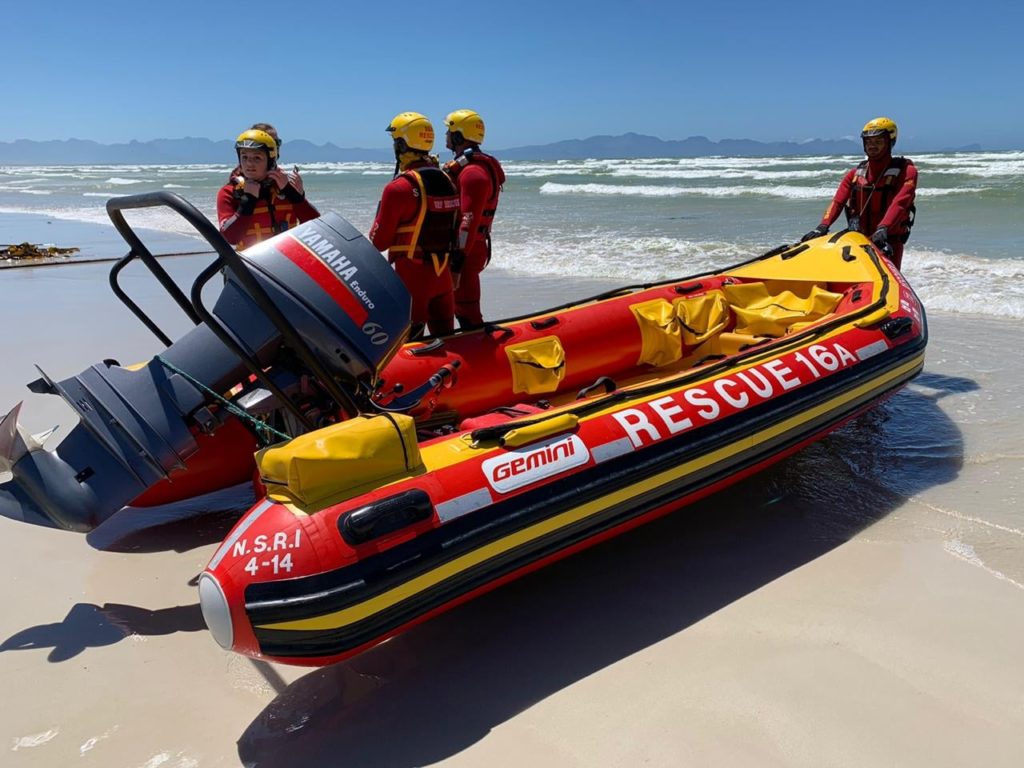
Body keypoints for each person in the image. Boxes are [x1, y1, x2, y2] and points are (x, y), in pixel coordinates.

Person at [369, 112, 460, 339]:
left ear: (401, 144)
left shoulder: (398, 188)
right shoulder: (448, 180)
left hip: (412, 283)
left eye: (395, 142)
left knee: (408, 350)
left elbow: (379, 242)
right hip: (443, 279)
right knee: (447, 344)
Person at [801, 117, 917, 269]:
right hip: (858, 239)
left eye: (878, 141)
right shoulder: (855, 174)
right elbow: (838, 202)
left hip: (888, 240)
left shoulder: (906, 171)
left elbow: (900, 202)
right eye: (869, 142)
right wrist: (822, 226)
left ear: (890, 142)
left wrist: (883, 228)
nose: (872, 146)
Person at [442, 109, 506, 329]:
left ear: (459, 136)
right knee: (457, 308)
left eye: (449, 131)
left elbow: (467, 224)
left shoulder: (472, 174)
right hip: (470, 249)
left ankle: (482, 352)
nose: (445, 135)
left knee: (467, 313)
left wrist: (456, 266)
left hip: (467, 252)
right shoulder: (469, 167)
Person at [217, 128, 319, 251]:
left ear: (270, 160)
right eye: (244, 157)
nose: (249, 163)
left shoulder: (285, 187)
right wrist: (248, 201)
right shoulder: (229, 192)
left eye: (257, 158)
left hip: (289, 259)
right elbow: (230, 237)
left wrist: (294, 195)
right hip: (250, 264)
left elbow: (316, 227)